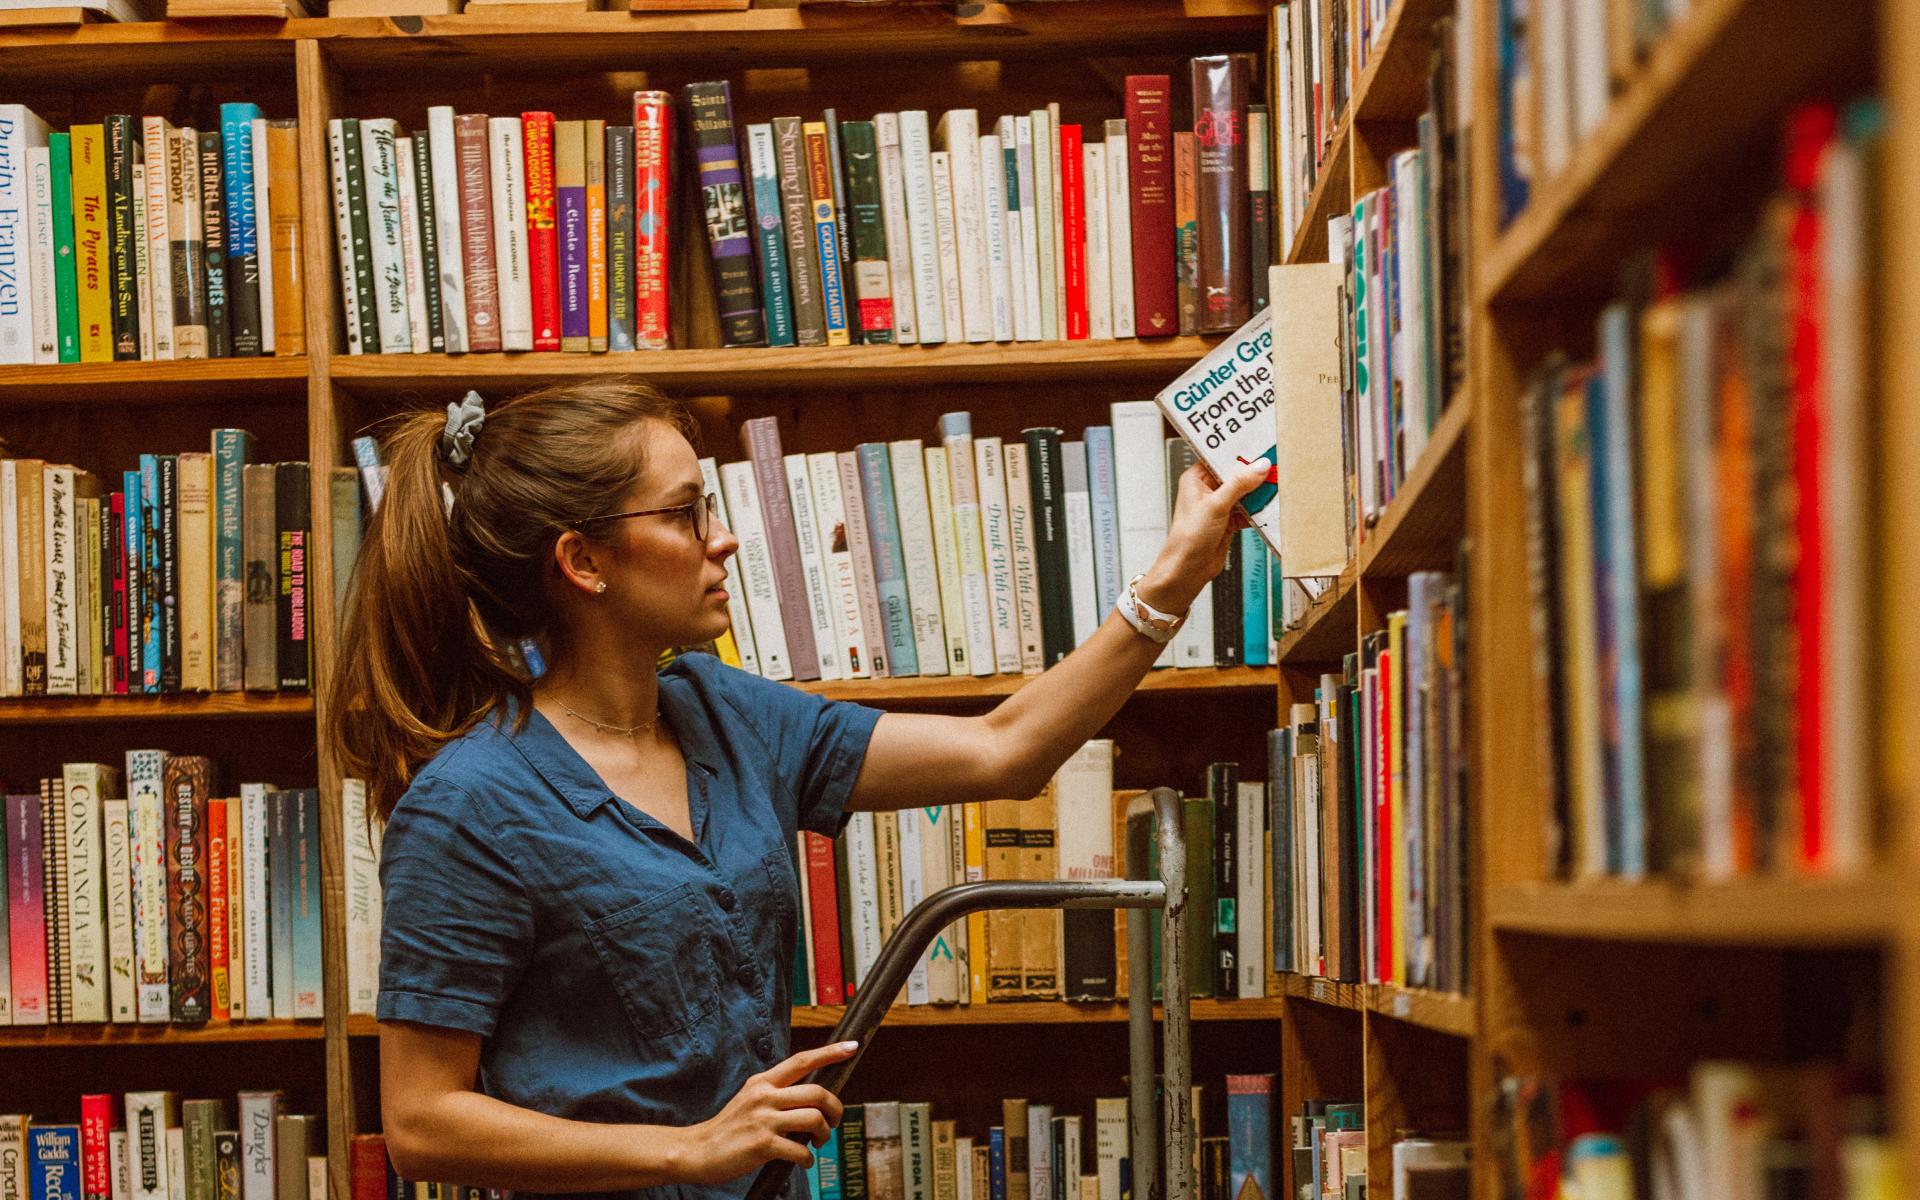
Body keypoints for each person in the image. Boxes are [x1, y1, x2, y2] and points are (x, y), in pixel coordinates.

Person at [326, 378, 1267, 1200]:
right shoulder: (470, 805)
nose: (724, 540)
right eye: (686, 512)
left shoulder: (724, 713)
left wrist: (1175, 579)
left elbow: (1003, 752)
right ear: (583, 561)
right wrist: (686, 1151)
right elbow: (420, 1124)